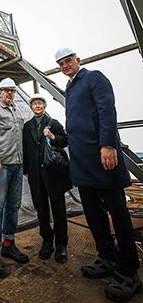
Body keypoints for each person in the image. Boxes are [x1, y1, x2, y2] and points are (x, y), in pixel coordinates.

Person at [55, 47, 141, 302]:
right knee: (92, 213)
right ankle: (107, 257)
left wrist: (108, 145)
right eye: (60, 63)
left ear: (78, 60)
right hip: (81, 162)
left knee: (118, 211)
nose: (65, 65)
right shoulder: (70, 88)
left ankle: (128, 270)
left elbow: (107, 110)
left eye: (68, 60)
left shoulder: (93, 77)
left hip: (101, 156)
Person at [0, 77, 29, 278]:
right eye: (6, 90)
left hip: (18, 165)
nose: (10, 93)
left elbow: (22, 139)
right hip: (1, 165)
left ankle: (8, 244)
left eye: (12, 90)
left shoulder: (18, 111)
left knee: (14, 206)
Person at [23, 94, 72, 264]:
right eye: (35, 104)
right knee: (41, 208)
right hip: (36, 175)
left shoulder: (54, 123)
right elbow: (26, 149)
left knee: (58, 208)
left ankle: (61, 244)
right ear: (31, 107)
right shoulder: (27, 126)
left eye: (40, 103)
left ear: (44, 106)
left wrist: (52, 137)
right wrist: (27, 170)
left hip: (52, 173)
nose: (37, 106)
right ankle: (46, 241)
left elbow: (64, 141)